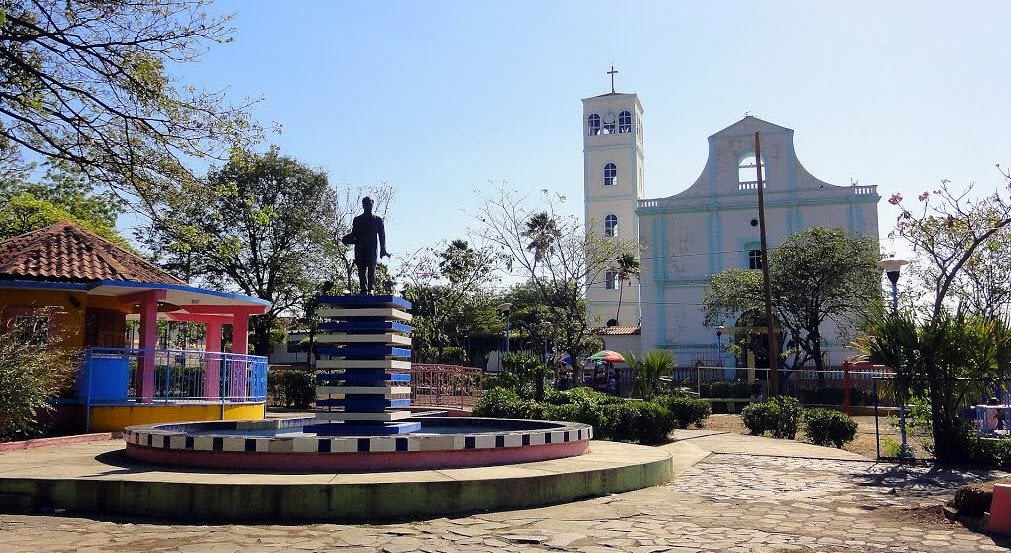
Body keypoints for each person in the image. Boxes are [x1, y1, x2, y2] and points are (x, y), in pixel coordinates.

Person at [342, 197, 390, 294]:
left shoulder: (378, 220)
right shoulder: (357, 220)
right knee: (361, 270)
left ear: (372, 205)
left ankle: (371, 289)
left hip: (372, 248)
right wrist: (346, 239)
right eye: (366, 203)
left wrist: (383, 250)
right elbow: (354, 234)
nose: (368, 205)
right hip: (360, 248)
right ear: (363, 205)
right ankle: (363, 289)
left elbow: (382, 236)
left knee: (372, 269)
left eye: (370, 203)